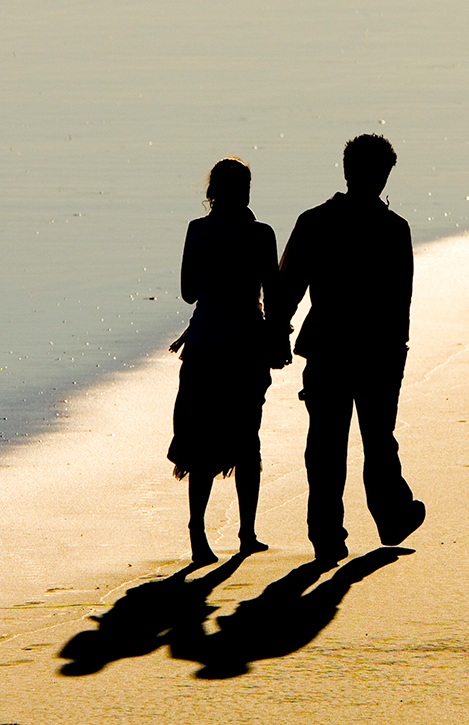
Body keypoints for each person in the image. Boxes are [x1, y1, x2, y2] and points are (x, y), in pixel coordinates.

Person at [277, 134, 426, 564]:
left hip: (326, 348)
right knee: (378, 439)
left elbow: (288, 291)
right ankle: (392, 516)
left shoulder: (314, 221)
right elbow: (401, 304)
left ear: (346, 170)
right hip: (378, 351)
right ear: (383, 176)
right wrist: (398, 354)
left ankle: (327, 536)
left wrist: (276, 336)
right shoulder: (394, 229)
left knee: (325, 446)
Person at [167, 157, 291, 565]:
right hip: (245, 347)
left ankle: (198, 534)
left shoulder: (197, 230)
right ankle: (247, 533)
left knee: (200, 442)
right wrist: (279, 341)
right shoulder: (261, 234)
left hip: (203, 344)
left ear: (212, 192)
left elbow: (188, 292)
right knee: (246, 438)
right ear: (247, 191)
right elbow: (273, 297)